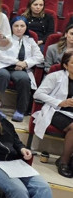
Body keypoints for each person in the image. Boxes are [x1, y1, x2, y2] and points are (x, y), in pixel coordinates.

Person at [0, 16, 44, 122]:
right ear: (11, 27)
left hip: (20, 69)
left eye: (22, 26)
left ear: (26, 27)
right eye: (16, 26)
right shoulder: (4, 38)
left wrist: (25, 63)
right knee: (2, 75)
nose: (19, 28)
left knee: (24, 79)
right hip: (4, 66)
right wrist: (16, 62)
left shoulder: (30, 40)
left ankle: (20, 110)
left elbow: (40, 57)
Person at [33, 50, 73, 178]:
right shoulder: (55, 76)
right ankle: (64, 161)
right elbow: (38, 94)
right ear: (66, 65)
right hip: (56, 111)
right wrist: (60, 102)